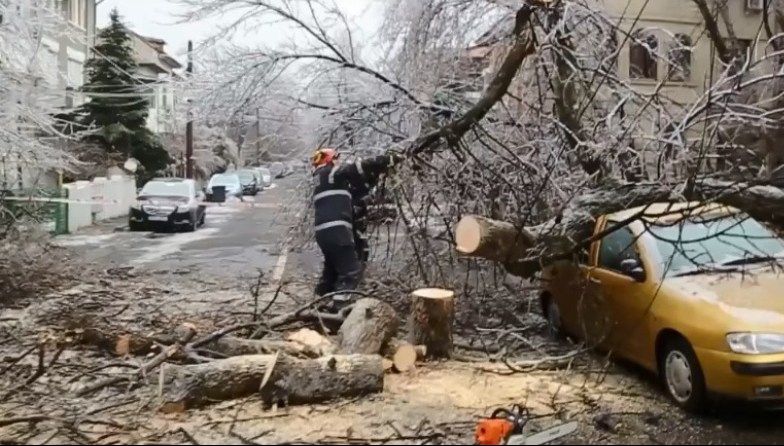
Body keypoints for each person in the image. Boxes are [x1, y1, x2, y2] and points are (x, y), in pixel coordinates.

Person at [310, 148, 400, 307]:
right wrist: (383, 160)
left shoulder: (325, 181)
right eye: (336, 160)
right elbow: (356, 168)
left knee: (331, 272)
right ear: (329, 160)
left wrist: (372, 178)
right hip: (337, 231)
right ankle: (339, 308)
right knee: (351, 272)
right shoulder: (329, 173)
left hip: (324, 234)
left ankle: (320, 303)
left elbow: (356, 191)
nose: (338, 163)